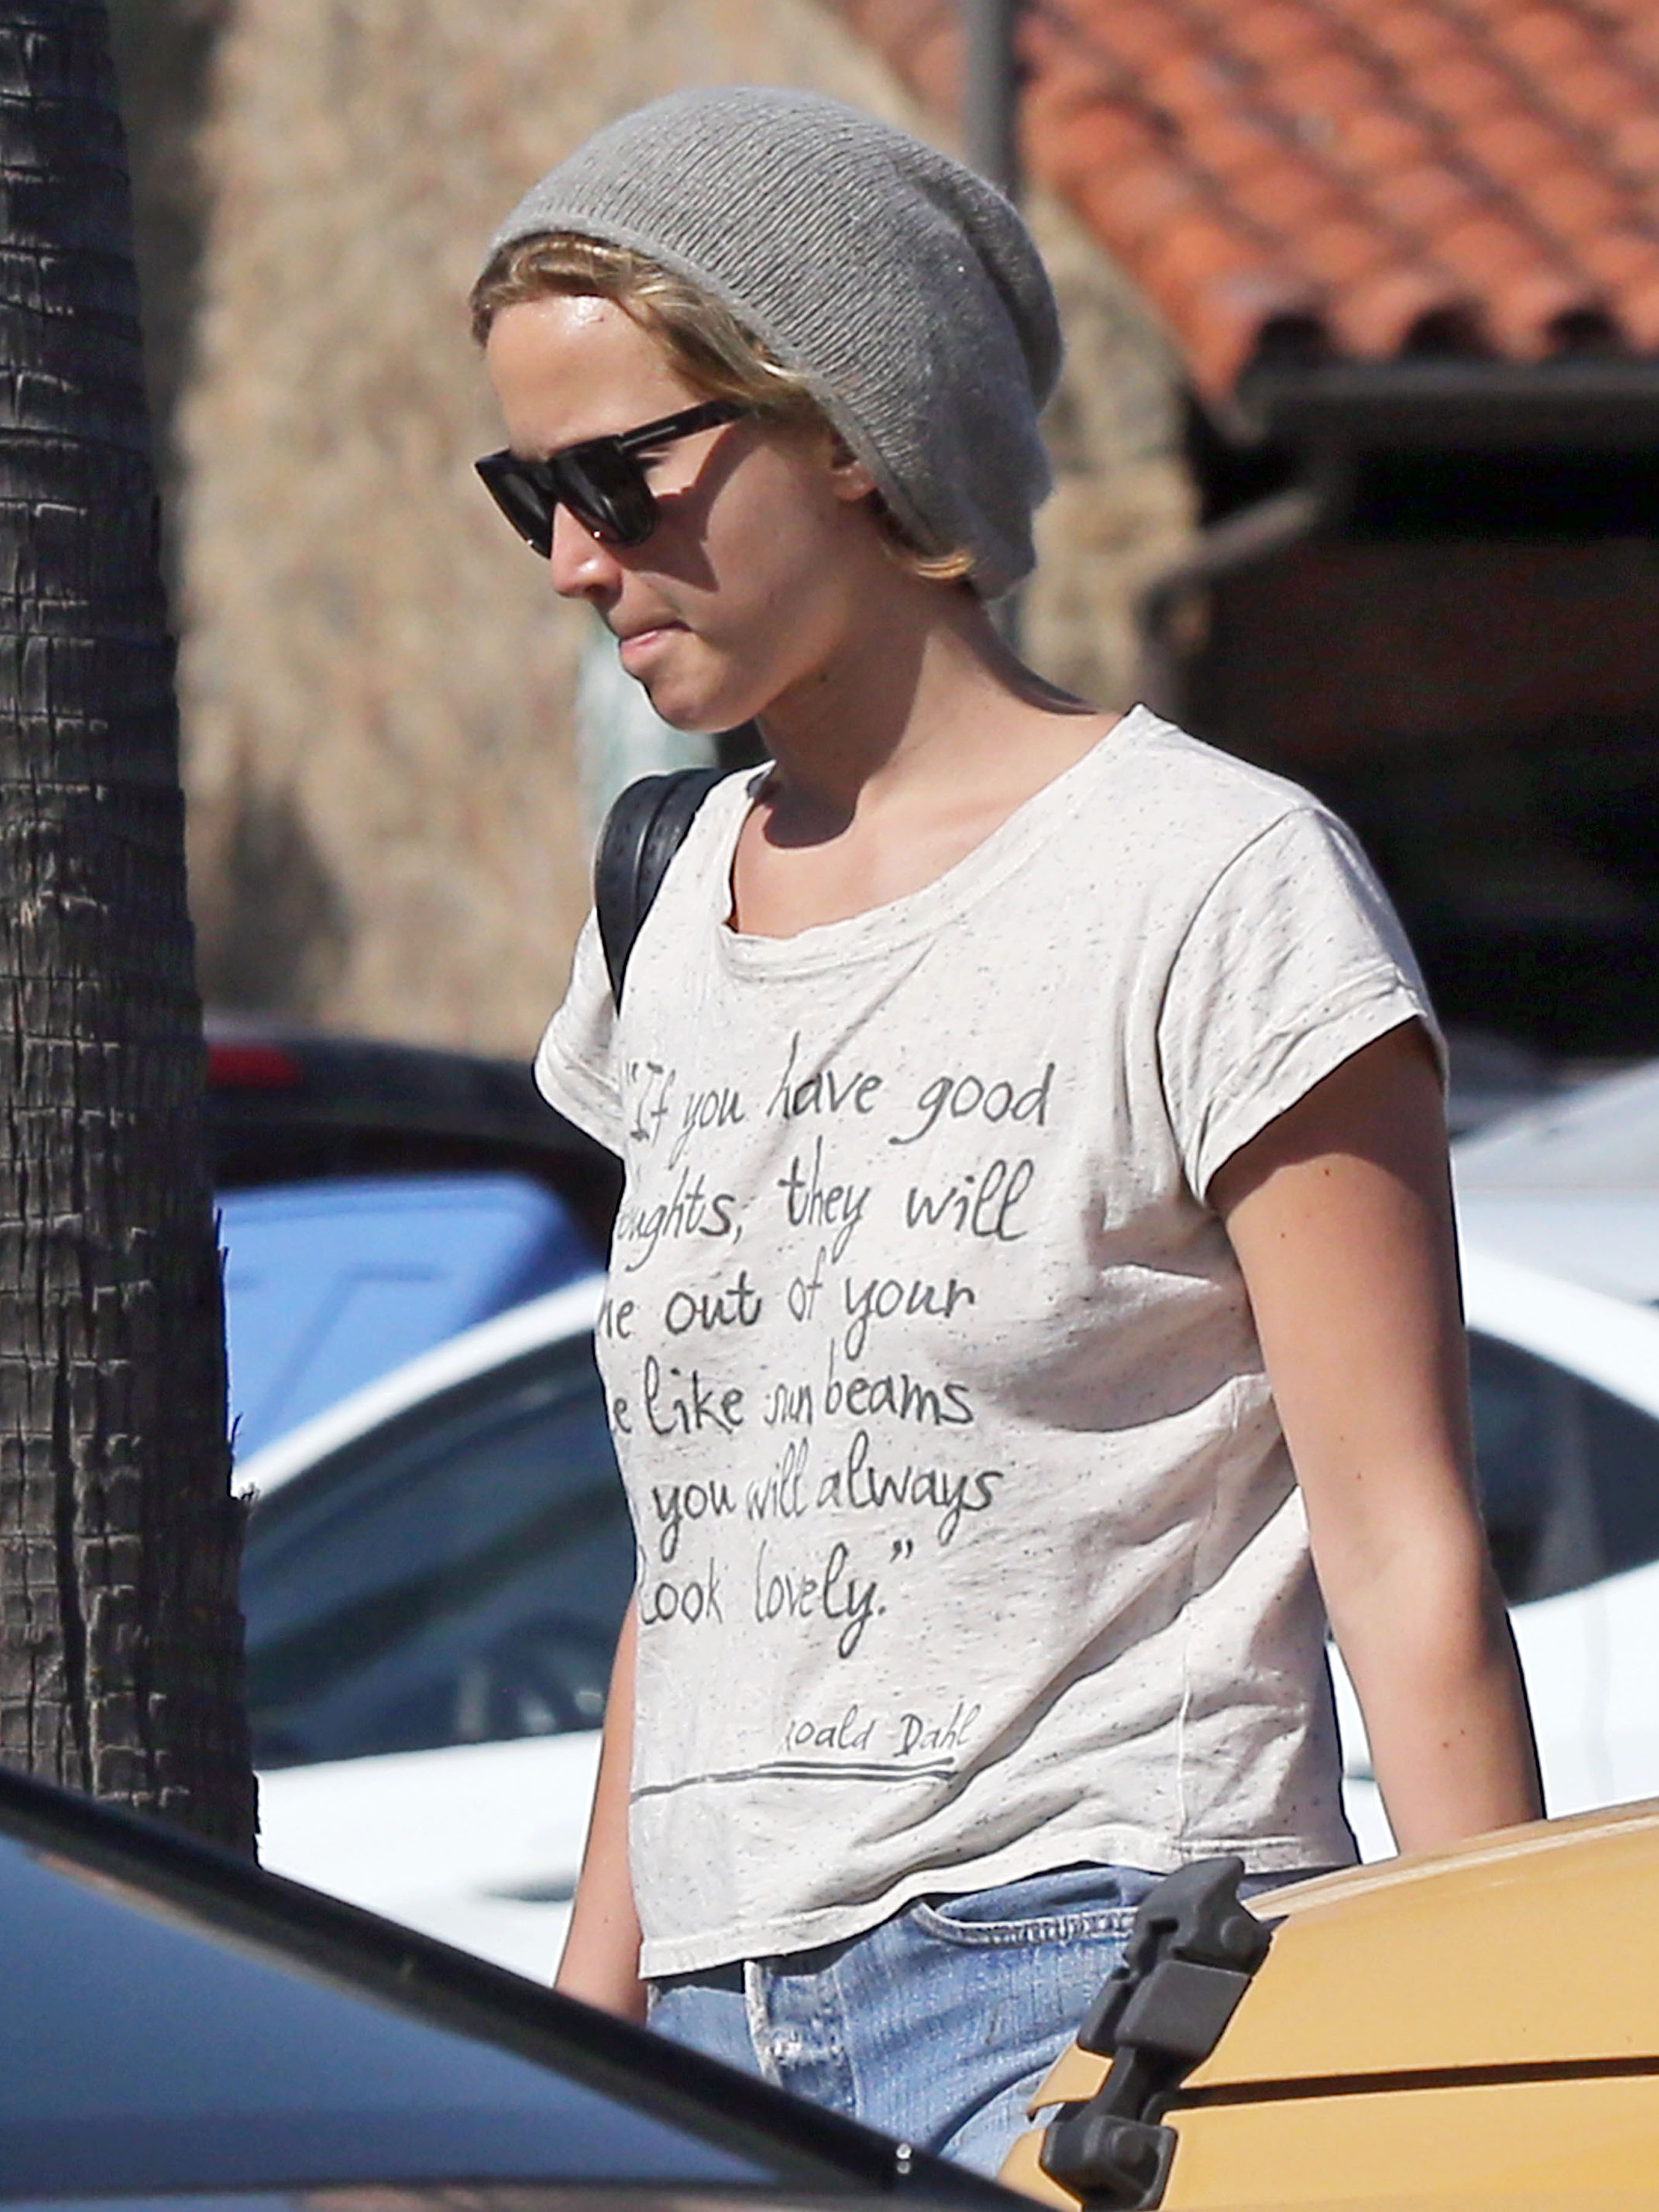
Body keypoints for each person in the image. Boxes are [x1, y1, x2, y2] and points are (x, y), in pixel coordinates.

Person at [468, 86, 1541, 2174]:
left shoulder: (1213, 884)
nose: (579, 558)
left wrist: (1505, 2095)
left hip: (1094, 2002)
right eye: (531, 496)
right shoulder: (664, 906)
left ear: (848, 434)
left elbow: (1402, 1550)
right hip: (709, 2032)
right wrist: (572, 2065)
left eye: (619, 475)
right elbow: (706, 1561)